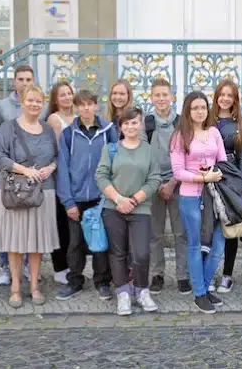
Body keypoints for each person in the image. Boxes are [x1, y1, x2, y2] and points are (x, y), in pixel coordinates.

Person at [0, 85, 59, 308]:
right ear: (22, 101)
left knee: (36, 243)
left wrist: (51, 167)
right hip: (15, 192)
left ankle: (35, 287)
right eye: (30, 100)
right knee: (15, 243)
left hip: (43, 191)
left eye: (39, 101)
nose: (34, 105)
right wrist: (24, 170)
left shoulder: (48, 129)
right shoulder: (8, 128)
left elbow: (56, 156)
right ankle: (16, 288)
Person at [96, 107, 162, 316]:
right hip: (113, 207)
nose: (131, 126)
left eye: (135, 122)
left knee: (141, 253)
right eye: (126, 123)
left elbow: (155, 179)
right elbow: (101, 176)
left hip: (140, 208)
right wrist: (118, 199)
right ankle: (123, 293)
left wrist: (133, 200)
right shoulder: (111, 149)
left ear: (141, 125)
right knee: (118, 253)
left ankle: (142, 290)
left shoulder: (148, 150)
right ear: (120, 126)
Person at [55, 90, 116, 301]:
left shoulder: (108, 131)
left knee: (99, 241)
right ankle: (75, 280)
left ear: (96, 106)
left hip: (101, 196)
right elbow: (62, 169)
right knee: (75, 243)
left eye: (90, 104)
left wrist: (111, 194)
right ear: (76, 108)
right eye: (81, 105)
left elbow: (116, 163)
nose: (86, 108)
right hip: (76, 198)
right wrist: (68, 201)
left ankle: (102, 281)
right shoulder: (68, 134)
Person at [170, 91, 227, 314]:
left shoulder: (213, 132)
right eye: (195, 108)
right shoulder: (179, 136)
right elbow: (178, 172)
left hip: (215, 195)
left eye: (203, 107)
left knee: (218, 242)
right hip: (191, 196)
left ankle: (203, 285)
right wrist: (202, 177)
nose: (200, 111)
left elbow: (222, 162)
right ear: (187, 110)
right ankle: (200, 293)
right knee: (194, 244)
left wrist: (215, 174)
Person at [0, 64, 41, 286]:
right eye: (20, 79)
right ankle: (6, 266)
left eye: (28, 79)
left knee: (30, 224)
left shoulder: (42, 103)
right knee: (10, 223)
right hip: (10, 172)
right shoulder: (2, 106)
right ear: (14, 82)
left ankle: (28, 268)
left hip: (32, 173)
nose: (24, 83)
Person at [144, 79, 191, 295]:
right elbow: (143, 156)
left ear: (172, 97)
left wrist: (172, 182)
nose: (161, 99)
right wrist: (157, 184)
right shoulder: (147, 123)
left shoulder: (182, 123)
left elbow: (188, 156)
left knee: (181, 232)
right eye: (157, 95)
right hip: (154, 185)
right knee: (155, 234)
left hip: (178, 183)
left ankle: (183, 275)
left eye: (165, 95)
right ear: (151, 97)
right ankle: (157, 274)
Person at [211, 80, 242, 294]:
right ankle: (209, 273)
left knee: (230, 229)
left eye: (230, 95)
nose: (225, 98)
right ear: (216, 96)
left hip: (230, 179)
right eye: (222, 94)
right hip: (208, 177)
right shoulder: (208, 119)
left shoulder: (239, 124)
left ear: (235, 99)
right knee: (209, 229)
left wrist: (239, 184)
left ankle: (227, 275)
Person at [46, 81, 76, 285]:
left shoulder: (77, 117)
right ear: (55, 99)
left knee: (73, 226)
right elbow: (59, 151)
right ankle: (59, 267)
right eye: (62, 95)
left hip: (78, 176)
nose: (66, 97)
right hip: (61, 175)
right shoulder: (54, 119)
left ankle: (74, 264)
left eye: (69, 93)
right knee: (60, 223)